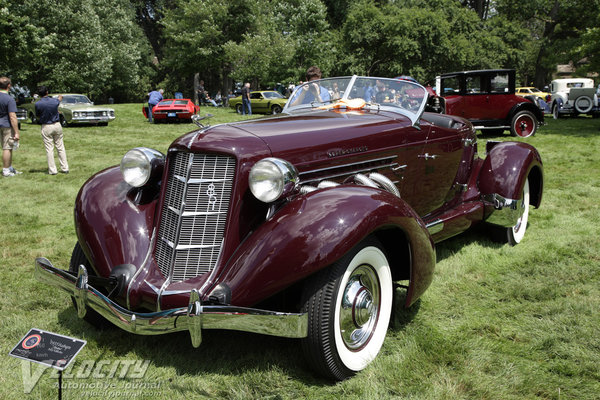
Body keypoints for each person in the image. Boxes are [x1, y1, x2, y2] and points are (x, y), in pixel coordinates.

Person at [35, 86, 69, 175]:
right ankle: (65, 168)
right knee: (60, 147)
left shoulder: (38, 104)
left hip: (46, 126)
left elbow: (38, 115)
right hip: (57, 125)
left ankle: (53, 170)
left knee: (49, 149)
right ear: (47, 92)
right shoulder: (54, 101)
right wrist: (60, 97)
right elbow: (59, 100)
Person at [0, 77, 21, 177]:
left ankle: (9, 167)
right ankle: (6, 170)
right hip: (6, 125)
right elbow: (12, 116)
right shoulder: (9, 99)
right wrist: (16, 132)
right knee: (7, 147)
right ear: (9, 86)